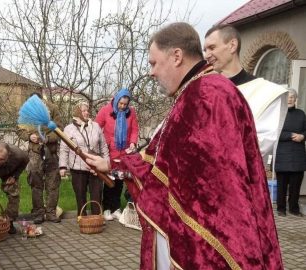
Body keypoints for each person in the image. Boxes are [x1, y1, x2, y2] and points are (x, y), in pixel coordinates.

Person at [86, 22, 283, 269]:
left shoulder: (207, 94)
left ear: (176, 56)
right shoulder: (197, 90)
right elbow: (163, 158)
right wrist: (112, 163)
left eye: (154, 63)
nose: (151, 73)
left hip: (212, 234)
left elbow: (202, 180)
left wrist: (117, 164)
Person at [204, 24, 288, 161]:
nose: (207, 55)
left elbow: (259, 146)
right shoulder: (204, 90)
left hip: (241, 177)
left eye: (212, 48)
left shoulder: (265, 92)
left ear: (232, 45)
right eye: (205, 50)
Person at [17, 93, 62, 224]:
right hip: (35, 153)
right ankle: (38, 212)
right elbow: (19, 130)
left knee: (53, 182)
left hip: (51, 151)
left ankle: (51, 212)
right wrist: (29, 137)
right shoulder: (27, 112)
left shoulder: (52, 109)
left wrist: (48, 138)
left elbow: (60, 129)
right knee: (35, 183)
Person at [95, 88, 139, 221]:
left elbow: (135, 130)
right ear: (117, 100)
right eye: (121, 104)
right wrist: (101, 144)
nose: (123, 106)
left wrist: (132, 143)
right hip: (109, 152)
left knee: (120, 180)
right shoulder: (105, 110)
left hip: (124, 153)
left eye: (125, 104)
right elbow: (96, 127)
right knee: (109, 180)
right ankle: (107, 208)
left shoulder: (131, 113)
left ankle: (116, 208)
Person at [59, 102, 109, 216]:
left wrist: (106, 163)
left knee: (97, 194)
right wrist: (63, 166)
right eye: (84, 111)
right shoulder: (69, 129)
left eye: (87, 110)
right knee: (80, 195)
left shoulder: (95, 126)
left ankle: (97, 218)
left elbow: (103, 147)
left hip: (95, 167)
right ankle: (82, 218)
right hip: (78, 168)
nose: (87, 113)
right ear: (77, 112)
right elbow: (64, 149)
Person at [275, 88, 306, 217]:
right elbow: (275, 133)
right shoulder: (278, 113)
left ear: (295, 99)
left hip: (298, 154)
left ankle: (294, 208)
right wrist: (291, 135)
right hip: (283, 154)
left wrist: (303, 136)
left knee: (296, 184)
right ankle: (281, 208)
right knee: (282, 184)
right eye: (288, 97)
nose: (290, 99)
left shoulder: (301, 113)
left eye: (292, 97)